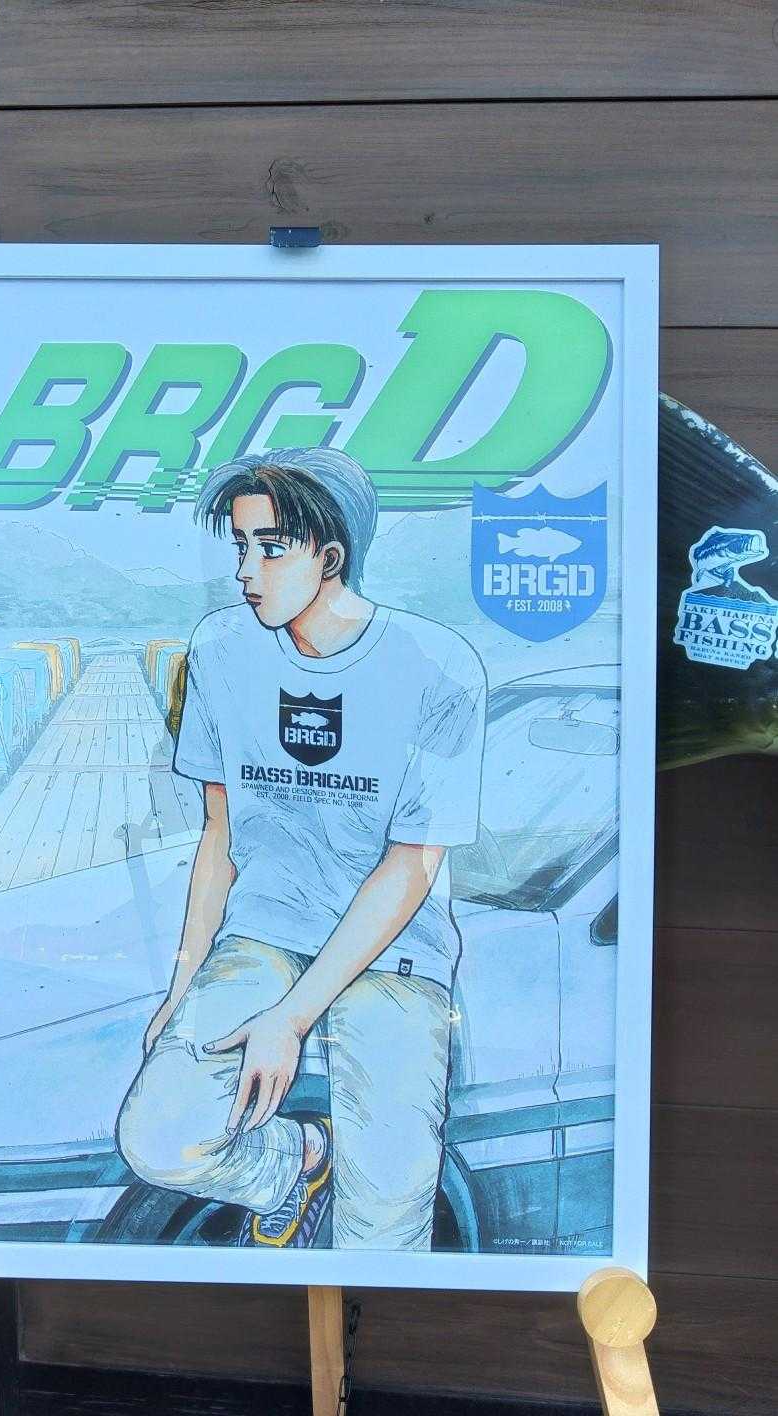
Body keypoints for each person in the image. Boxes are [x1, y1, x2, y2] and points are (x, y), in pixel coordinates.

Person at [116, 447, 486, 1250]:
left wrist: (290, 1019)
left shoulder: (437, 667)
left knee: (386, 1213)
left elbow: (411, 866)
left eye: (272, 548)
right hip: (263, 936)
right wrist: (182, 982)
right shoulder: (220, 649)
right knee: (158, 1136)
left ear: (331, 557)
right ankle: (297, 1162)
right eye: (240, 546)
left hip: (394, 954)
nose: (246, 571)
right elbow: (220, 834)